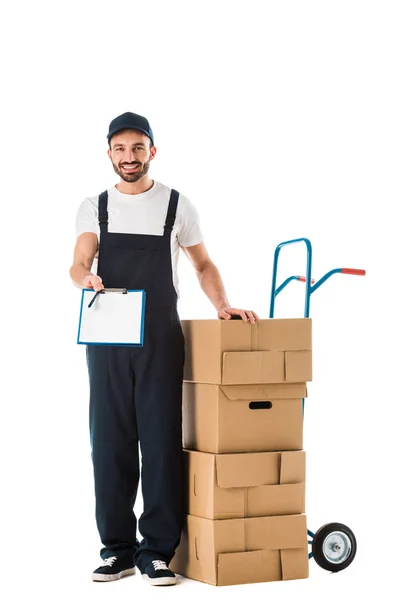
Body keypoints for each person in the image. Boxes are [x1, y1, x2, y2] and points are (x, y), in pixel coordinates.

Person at [69, 111, 260, 586]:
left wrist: (223, 304)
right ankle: (118, 550)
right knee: (109, 444)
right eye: (120, 149)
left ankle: (157, 551)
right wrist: (85, 278)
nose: (128, 157)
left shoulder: (177, 205)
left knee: (159, 442)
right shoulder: (95, 206)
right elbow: (77, 262)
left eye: (137, 148)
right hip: (109, 338)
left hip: (159, 337)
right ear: (109, 153)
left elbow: (203, 264)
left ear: (152, 151)